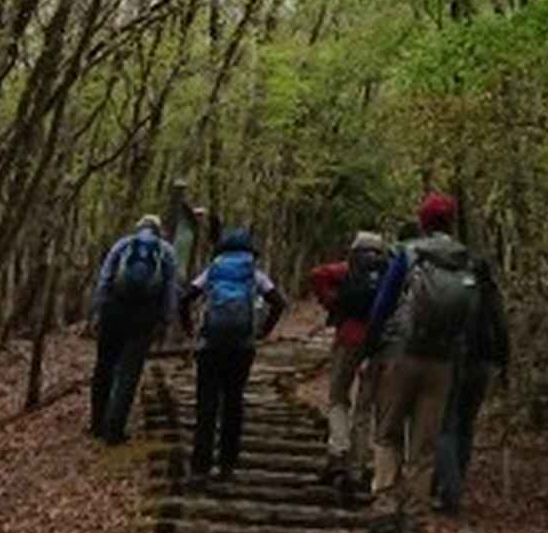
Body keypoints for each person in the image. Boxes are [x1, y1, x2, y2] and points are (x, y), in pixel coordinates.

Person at [362, 191, 478, 533]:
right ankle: (414, 520)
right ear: (452, 222)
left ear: (423, 220)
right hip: (441, 363)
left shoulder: (408, 253)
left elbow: (384, 301)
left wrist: (372, 345)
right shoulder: (464, 261)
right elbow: (470, 318)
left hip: (401, 353)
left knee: (387, 432)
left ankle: (384, 508)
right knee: (424, 444)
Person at [179, 222, 284, 483]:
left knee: (207, 404)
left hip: (210, 344)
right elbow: (279, 302)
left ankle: (199, 466)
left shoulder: (212, 271)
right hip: (241, 346)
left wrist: (189, 328)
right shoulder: (255, 274)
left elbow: (185, 298)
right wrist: (263, 332)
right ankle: (227, 465)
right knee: (233, 402)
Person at [308, 227, 388, 500]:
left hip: (347, 337)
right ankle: (359, 463)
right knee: (366, 405)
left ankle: (338, 451)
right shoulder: (387, 271)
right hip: (377, 343)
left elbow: (317, 275)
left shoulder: (347, 269)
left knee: (338, 396)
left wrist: (334, 302)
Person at [433, 250, 509, 516]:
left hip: (459, 363)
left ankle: (448, 490)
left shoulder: (462, 293)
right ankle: (456, 483)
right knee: (466, 426)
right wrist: (503, 366)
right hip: (484, 367)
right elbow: (502, 332)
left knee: (446, 426)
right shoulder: (493, 295)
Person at [89, 212, 177, 444]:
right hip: (144, 317)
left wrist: (98, 312)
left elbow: (105, 279)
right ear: (159, 231)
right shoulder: (166, 251)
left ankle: (97, 424)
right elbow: (170, 288)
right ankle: (114, 430)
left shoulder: (122, 245)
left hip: (114, 312)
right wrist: (166, 319)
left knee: (104, 366)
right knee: (128, 372)